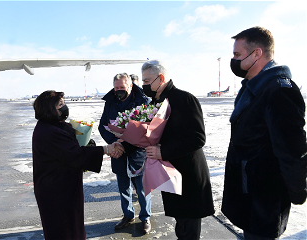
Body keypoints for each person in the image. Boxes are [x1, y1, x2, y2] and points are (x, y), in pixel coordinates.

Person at [222, 26, 307, 240]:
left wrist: (297, 190)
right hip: (248, 193)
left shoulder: (279, 90)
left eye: (237, 55)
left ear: (257, 53)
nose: (234, 60)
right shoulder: (252, 85)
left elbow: (292, 149)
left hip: (265, 199)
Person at [141, 60, 215, 239]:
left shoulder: (185, 99)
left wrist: (163, 151)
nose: (143, 85)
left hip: (188, 174)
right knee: (181, 223)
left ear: (161, 78)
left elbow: (197, 138)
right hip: (171, 172)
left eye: (146, 81)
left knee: (188, 227)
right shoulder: (156, 102)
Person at [32, 90, 120, 240]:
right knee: (64, 232)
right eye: (60, 104)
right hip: (57, 193)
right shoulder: (49, 131)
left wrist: (86, 145)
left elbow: (70, 151)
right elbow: (75, 155)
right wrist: (105, 150)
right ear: (49, 108)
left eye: (64, 103)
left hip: (62, 188)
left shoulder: (51, 126)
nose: (64, 107)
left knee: (71, 228)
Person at [98, 73, 152, 234]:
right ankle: (128, 215)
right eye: (116, 88)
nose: (119, 90)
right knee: (123, 188)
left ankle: (145, 217)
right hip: (117, 152)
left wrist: (125, 143)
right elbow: (103, 125)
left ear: (130, 86)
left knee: (142, 189)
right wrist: (113, 143)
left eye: (122, 87)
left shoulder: (143, 101)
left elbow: (147, 128)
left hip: (137, 152)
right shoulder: (110, 102)